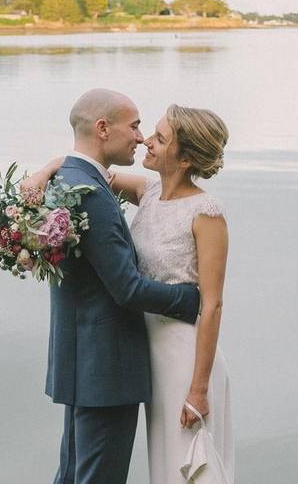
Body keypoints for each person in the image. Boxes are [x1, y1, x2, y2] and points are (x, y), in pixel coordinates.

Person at [26, 96, 233, 483]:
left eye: (159, 137)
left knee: (190, 465)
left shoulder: (207, 213)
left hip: (185, 354)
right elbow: (84, 170)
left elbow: (213, 304)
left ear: (185, 158)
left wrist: (199, 388)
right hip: (145, 350)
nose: (145, 141)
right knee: (162, 461)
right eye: (144, 130)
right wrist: (45, 170)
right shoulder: (149, 192)